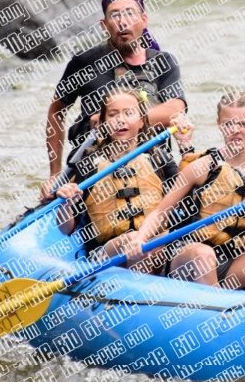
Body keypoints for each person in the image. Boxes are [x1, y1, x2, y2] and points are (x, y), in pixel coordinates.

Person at [121, 91, 245, 291]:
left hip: (239, 262)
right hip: (191, 256)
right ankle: (218, 315)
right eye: (228, 124)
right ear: (219, 124)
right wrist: (139, 239)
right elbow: (160, 212)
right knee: (203, 254)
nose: (235, 130)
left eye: (243, 124)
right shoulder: (202, 167)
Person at [42, 0, 191, 200]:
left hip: (152, 166)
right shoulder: (83, 62)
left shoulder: (163, 62)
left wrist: (115, 120)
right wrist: (54, 174)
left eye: (130, 13)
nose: (123, 21)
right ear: (104, 25)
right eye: (115, 15)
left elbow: (176, 110)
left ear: (143, 19)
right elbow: (56, 113)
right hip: (92, 170)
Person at [52, 88, 187, 272]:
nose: (120, 120)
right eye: (113, 114)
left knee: (155, 242)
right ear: (103, 123)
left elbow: (191, 198)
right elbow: (66, 229)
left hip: (155, 245)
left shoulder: (158, 158)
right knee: (134, 241)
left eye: (129, 113)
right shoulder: (89, 165)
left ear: (142, 121)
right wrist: (66, 205)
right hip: (105, 253)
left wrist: (185, 145)